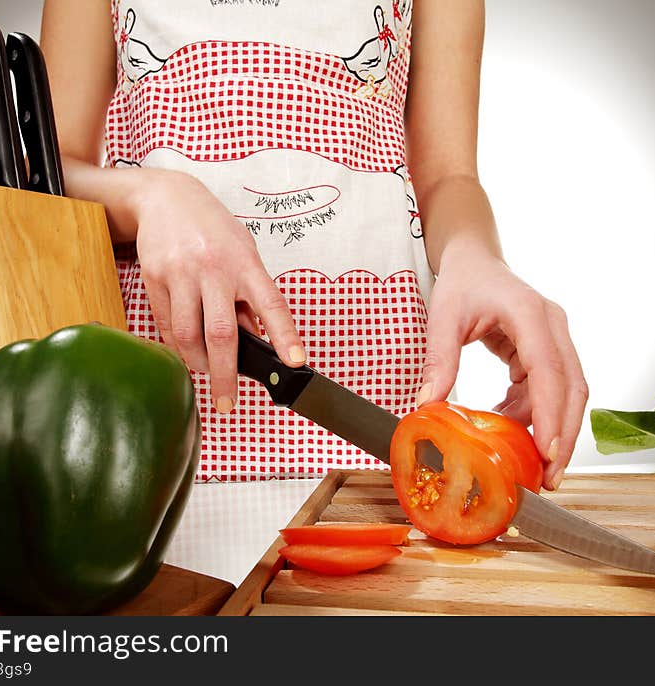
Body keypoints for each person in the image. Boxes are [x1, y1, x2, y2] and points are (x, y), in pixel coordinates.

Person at [40, 0, 587, 489]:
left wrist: (476, 255)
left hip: (377, 400)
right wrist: (150, 196)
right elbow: (49, 174)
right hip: (157, 413)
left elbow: (447, 176)